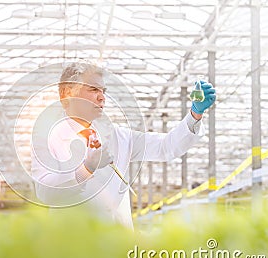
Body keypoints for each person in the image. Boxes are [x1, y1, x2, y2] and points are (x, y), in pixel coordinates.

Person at [31, 62, 216, 229]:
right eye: (93, 89)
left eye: (103, 91)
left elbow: (165, 147)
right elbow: (45, 192)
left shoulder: (120, 137)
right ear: (68, 93)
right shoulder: (47, 139)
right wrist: (86, 169)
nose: (102, 97)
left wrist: (194, 115)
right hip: (72, 248)